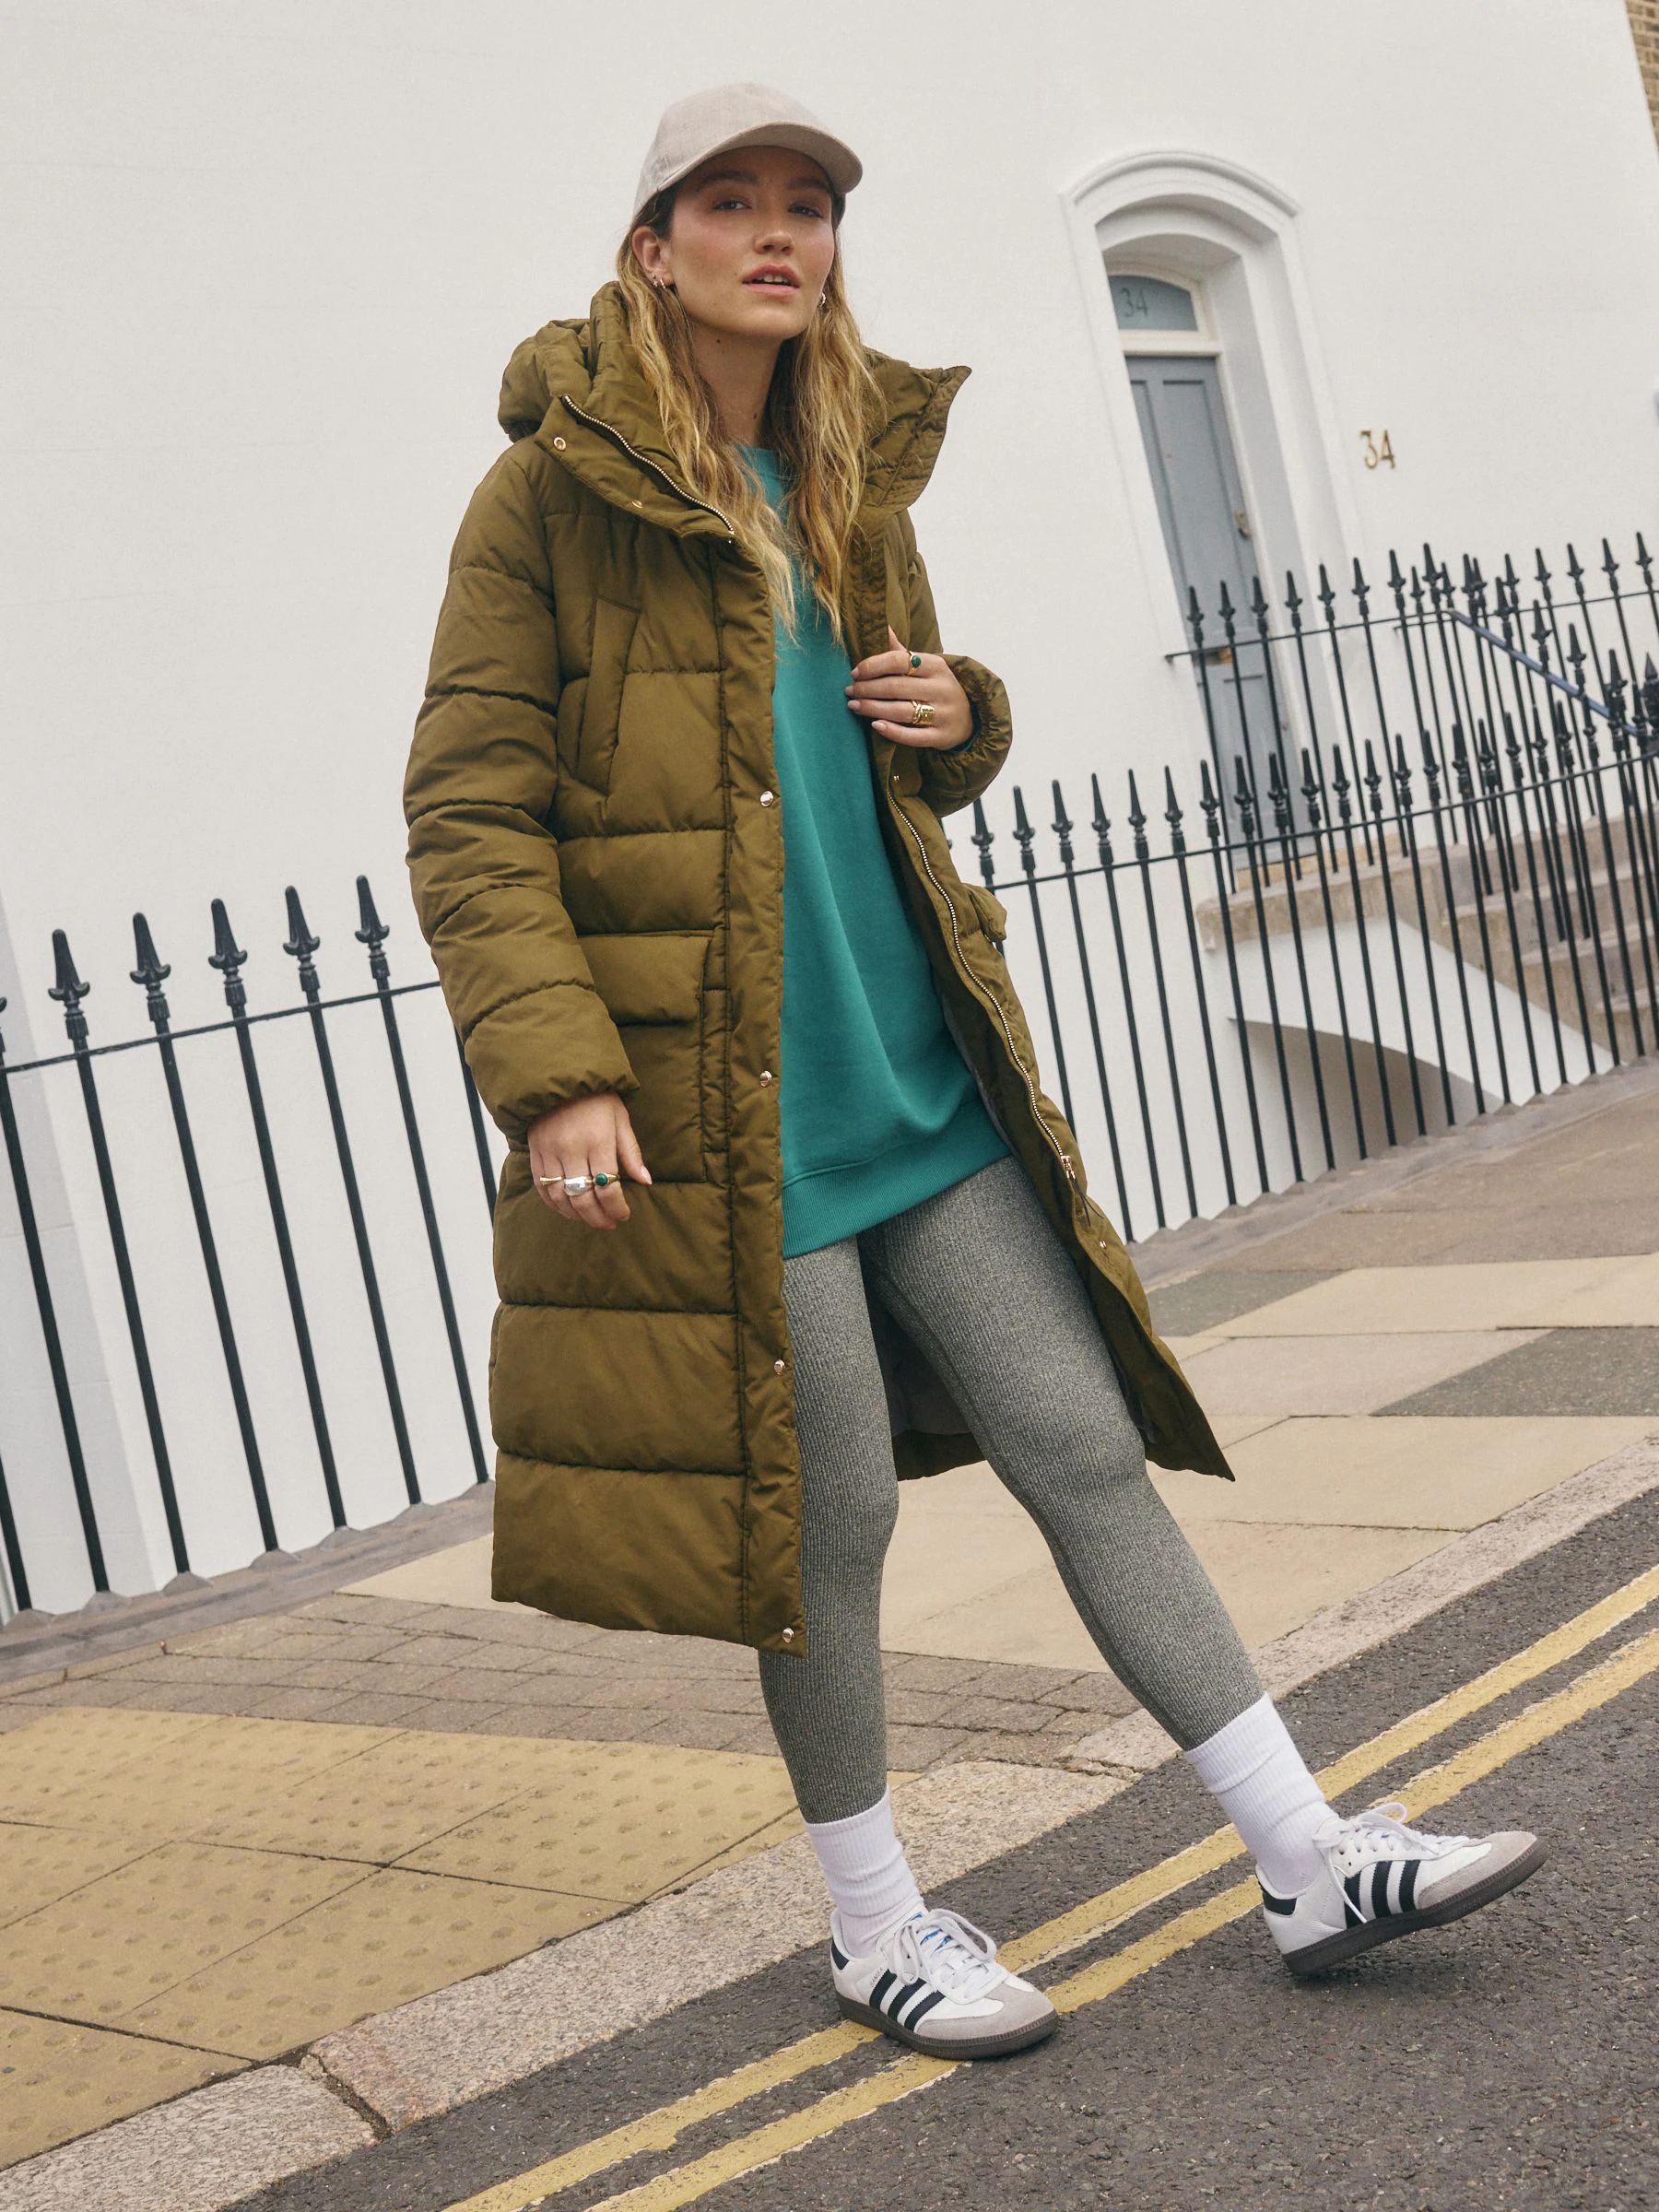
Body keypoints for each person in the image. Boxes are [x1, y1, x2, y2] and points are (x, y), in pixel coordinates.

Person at [405, 83, 1543, 2060]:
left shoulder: (853, 473)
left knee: (1085, 1445)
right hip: (728, 1125)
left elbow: (896, 751)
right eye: (731, 203)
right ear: (652, 247)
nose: (781, 233)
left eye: (811, 205)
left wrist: (962, 710)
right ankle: (873, 1925)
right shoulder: (548, 503)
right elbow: (469, 810)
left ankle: (1303, 1852)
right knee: (826, 1528)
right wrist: (555, 1075)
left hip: (921, 1082)